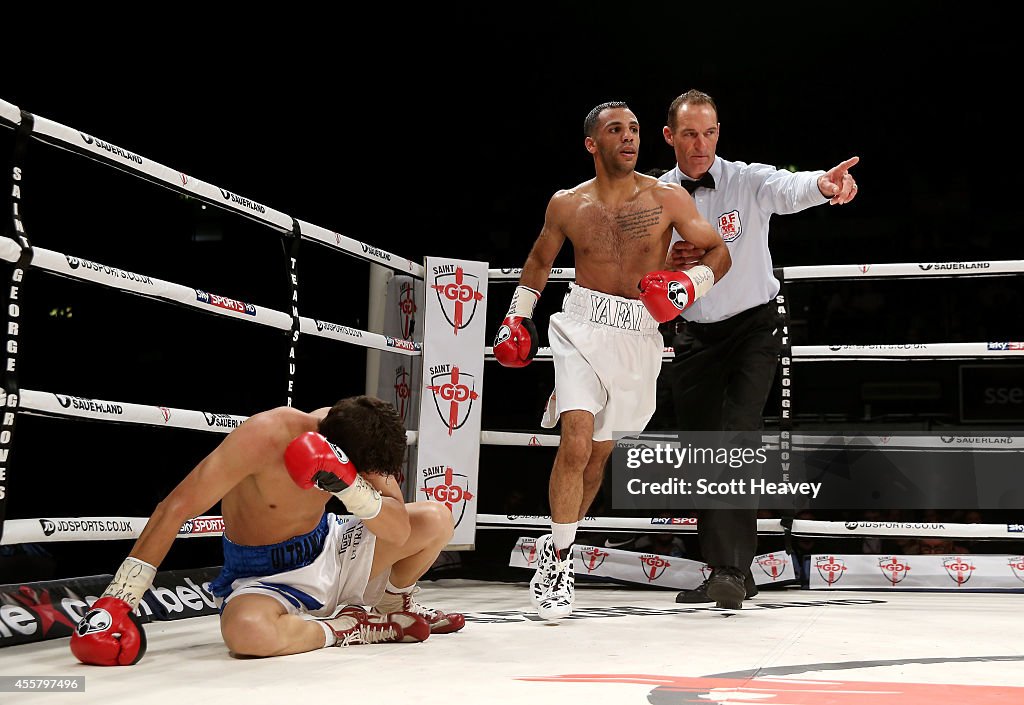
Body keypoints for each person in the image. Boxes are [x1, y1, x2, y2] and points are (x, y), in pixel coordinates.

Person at [492, 101, 731, 619]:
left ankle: (564, 543)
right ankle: (556, 560)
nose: (629, 137)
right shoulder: (567, 204)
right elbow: (539, 259)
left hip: (640, 332)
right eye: (615, 130)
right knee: (575, 438)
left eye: (635, 129)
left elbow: (720, 252)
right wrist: (519, 316)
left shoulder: (667, 197)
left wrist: (689, 285)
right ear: (591, 144)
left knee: (598, 455)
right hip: (579, 323)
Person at [70, 395, 464, 666]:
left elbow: (396, 529)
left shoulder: (362, 438)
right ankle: (353, 627)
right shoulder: (266, 436)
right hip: (265, 577)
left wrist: (350, 485)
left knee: (436, 518)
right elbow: (175, 508)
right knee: (246, 634)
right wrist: (118, 600)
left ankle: (394, 607)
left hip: (331, 547)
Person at [657, 89, 859, 609]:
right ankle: (726, 569)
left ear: (718, 133)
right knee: (702, 451)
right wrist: (665, 257)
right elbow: (639, 261)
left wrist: (823, 184)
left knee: (734, 436)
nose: (701, 144)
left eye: (709, 132)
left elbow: (788, 188)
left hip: (753, 328)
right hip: (695, 334)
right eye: (689, 134)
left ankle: (729, 570)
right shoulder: (656, 193)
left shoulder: (745, 180)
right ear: (670, 137)